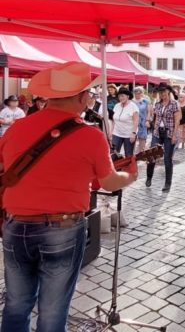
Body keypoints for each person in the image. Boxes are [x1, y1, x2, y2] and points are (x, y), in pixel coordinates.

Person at [0, 61, 138, 332]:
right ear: (81, 97)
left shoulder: (16, 128)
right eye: (89, 94)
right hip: (61, 227)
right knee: (53, 309)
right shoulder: (90, 135)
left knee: (16, 302)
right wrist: (130, 176)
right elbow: (109, 182)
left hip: (16, 225)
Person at [145, 83, 180, 191]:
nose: (162, 94)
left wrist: (174, 135)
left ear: (168, 92)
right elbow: (155, 117)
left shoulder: (174, 104)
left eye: (164, 92)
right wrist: (151, 123)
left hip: (169, 133)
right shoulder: (158, 104)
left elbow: (177, 120)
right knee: (152, 155)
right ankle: (149, 177)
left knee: (167, 159)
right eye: (160, 92)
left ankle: (167, 183)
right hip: (157, 132)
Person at [111, 87, 139, 157]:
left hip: (128, 134)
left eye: (122, 96)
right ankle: (116, 168)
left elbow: (136, 121)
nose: (121, 98)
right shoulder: (117, 106)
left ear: (128, 96)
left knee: (128, 155)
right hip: (116, 133)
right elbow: (114, 120)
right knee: (114, 154)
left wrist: (133, 133)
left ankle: (128, 168)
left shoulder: (133, 106)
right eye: (119, 96)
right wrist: (111, 131)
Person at [132, 86, 152, 153]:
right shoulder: (131, 102)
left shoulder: (146, 101)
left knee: (142, 139)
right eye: (136, 93)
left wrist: (147, 120)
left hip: (143, 122)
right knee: (133, 139)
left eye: (139, 93)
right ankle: (133, 156)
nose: (137, 94)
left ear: (142, 93)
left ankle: (142, 154)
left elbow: (149, 112)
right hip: (133, 122)